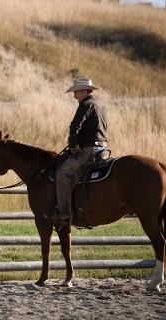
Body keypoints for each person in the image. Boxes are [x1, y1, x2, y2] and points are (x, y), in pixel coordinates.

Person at [54, 78, 108, 228]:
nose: (74, 96)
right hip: (102, 149)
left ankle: (64, 216)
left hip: (88, 150)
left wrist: (73, 145)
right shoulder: (99, 105)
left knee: (62, 174)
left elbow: (74, 126)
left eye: (76, 92)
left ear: (84, 91)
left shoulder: (85, 104)